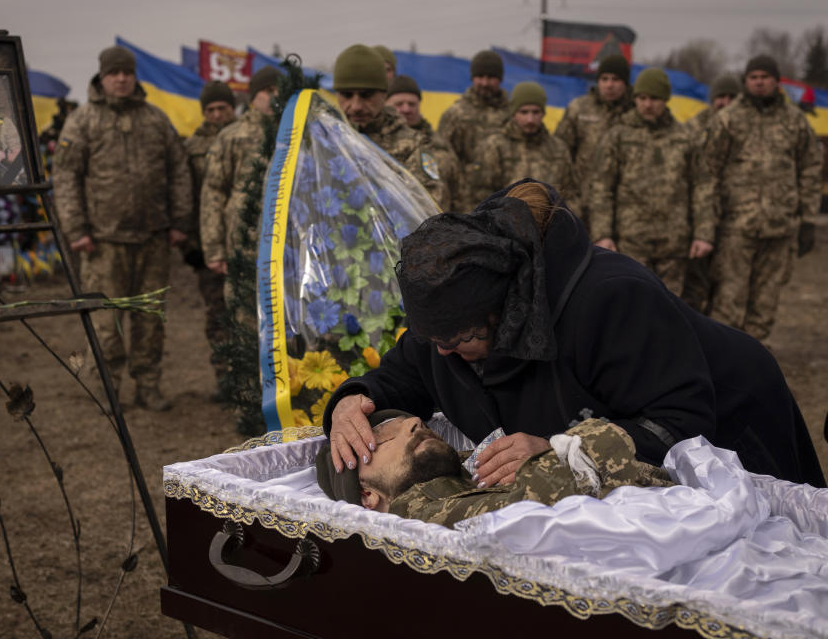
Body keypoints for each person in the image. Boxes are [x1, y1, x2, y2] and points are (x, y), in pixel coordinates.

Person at [322, 179, 826, 489]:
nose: (444, 353)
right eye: (434, 340)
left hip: (733, 421)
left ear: (506, 314)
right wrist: (355, 398)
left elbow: (680, 421)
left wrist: (558, 448)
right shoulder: (449, 327)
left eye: (458, 340)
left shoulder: (611, 300)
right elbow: (404, 372)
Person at [52, 46, 192, 411]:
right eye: (114, 73)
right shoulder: (82, 121)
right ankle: (108, 388)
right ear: (102, 77)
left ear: (134, 76)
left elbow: (178, 171)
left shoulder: (155, 119)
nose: (121, 78)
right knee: (106, 320)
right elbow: (65, 177)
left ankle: (149, 384)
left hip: (153, 239)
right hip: (103, 242)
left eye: (127, 72)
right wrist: (76, 228)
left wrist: (180, 221)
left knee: (151, 318)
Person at [315, 410, 674, 528]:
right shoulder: (421, 511)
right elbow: (533, 500)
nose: (414, 422)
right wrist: (570, 445)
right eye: (386, 439)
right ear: (367, 494)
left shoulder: (466, 467)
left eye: (416, 423)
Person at [697, 55, 823, 341]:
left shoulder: (794, 120)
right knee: (728, 305)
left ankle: (757, 367)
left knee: (764, 307)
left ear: (777, 81)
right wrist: (707, 226)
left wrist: (807, 220)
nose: (759, 82)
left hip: (780, 230)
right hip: (735, 229)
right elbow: (707, 173)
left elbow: (810, 169)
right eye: (753, 77)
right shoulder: (728, 118)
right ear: (746, 82)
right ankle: (725, 367)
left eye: (765, 77)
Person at [588, 68, 708, 296]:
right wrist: (603, 234)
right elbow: (601, 187)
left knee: (670, 310)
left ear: (665, 100)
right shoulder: (619, 136)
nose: (647, 104)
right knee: (631, 305)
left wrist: (703, 234)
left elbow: (702, 186)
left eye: (654, 98)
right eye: (642, 98)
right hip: (631, 242)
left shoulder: (684, 138)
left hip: (674, 243)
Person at [333, 44, 449, 210]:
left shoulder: (412, 146)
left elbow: (428, 207)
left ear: (384, 93)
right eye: (347, 95)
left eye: (366, 95)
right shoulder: (326, 139)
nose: (356, 105)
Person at [200, 66, 281, 280]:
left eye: (279, 89)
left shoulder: (297, 132)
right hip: (244, 245)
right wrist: (214, 249)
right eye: (268, 90)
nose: (275, 96)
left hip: (288, 246)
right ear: (254, 98)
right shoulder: (232, 137)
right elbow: (213, 193)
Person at [182, 80, 236, 372]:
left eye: (222, 108)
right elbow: (186, 196)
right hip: (208, 246)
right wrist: (192, 244)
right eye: (211, 109)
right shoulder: (192, 147)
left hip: (244, 241)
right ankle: (223, 372)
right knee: (217, 310)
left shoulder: (248, 137)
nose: (217, 115)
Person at [681, 73, 740, 313]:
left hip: (734, 221)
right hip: (696, 223)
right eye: (720, 97)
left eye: (731, 97)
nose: (725, 103)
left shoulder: (743, 127)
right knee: (693, 288)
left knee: (727, 289)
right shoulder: (692, 129)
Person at [554, 54, 634, 229]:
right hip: (583, 202)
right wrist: (568, 197)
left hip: (627, 209)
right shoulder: (579, 108)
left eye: (615, 79)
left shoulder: (637, 111)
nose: (609, 85)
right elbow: (559, 153)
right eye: (604, 79)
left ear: (625, 82)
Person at [471, 81, 578, 211]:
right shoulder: (494, 146)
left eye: (535, 112)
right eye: (524, 112)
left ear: (543, 113)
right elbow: (480, 195)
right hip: (504, 225)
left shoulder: (559, 149)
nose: (530, 119)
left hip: (548, 226)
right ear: (514, 113)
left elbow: (570, 195)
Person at [437, 50, 512, 211]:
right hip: (466, 205)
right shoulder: (456, 114)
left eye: (491, 77)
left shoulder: (513, 113)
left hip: (504, 202)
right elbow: (443, 160)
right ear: (472, 78)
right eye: (480, 76)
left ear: (500, 79)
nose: (485, 83)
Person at [386, 74, 462, 211]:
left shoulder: (439, 142)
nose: (406, 109)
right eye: (399, 104)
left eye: (411, 104)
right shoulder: (379, 142)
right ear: (385, 105)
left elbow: (457, 191)